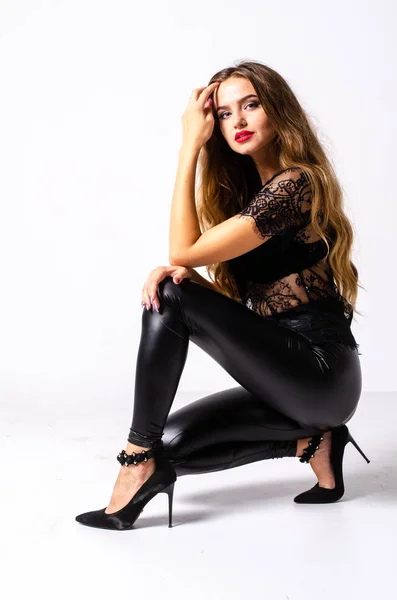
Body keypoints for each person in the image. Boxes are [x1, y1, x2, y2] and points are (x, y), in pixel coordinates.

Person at [75, 60, 370, 531]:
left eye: (251, 105)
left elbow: (183, 250)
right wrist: (189, 280)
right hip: (279, 371)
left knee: (170, 293)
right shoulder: (247, 199)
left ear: (278, 111)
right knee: (168, 440)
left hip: (321, 372)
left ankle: (134, 460)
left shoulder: (297, 184)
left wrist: (189, 144)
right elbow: (227, 293)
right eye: (227, 113)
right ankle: (314, 444)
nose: (239, 121)